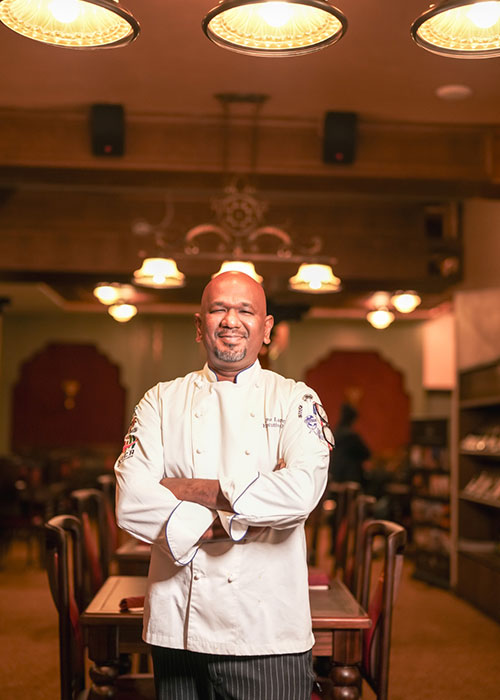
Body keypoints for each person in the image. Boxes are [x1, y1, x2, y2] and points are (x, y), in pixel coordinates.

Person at [114, 271, 332, 700]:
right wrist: (243, 513)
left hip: (267, 629)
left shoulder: (297, 399)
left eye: (245, 311)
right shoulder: (160, 400)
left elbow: (301, 491)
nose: (231, 320)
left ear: (266, 329)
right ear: (200, 326)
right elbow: (131, 500)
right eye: (219, 310)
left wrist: (185, 489)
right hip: (177, 624)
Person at [329, 402, 371, 487]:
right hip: (350, 475)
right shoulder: (351, 436)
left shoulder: (334, 433)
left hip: (335, 472)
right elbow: (366, 453)